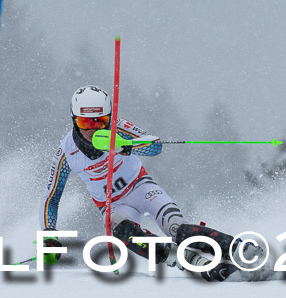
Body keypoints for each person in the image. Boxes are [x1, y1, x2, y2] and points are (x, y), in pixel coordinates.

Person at [38, 85, 245, 281]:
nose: (93, 130)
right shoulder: (66, 152)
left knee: (176, 229)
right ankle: (186, 259)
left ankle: (237, 249)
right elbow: (51, 197)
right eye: (85, 123)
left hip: (141, 187)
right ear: (74, 120)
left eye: (100, 121)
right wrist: (49, 235)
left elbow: (154, 145)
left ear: (109, 117)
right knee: (122, 232)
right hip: (113, 205)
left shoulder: (118, 127)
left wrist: (126, 146)